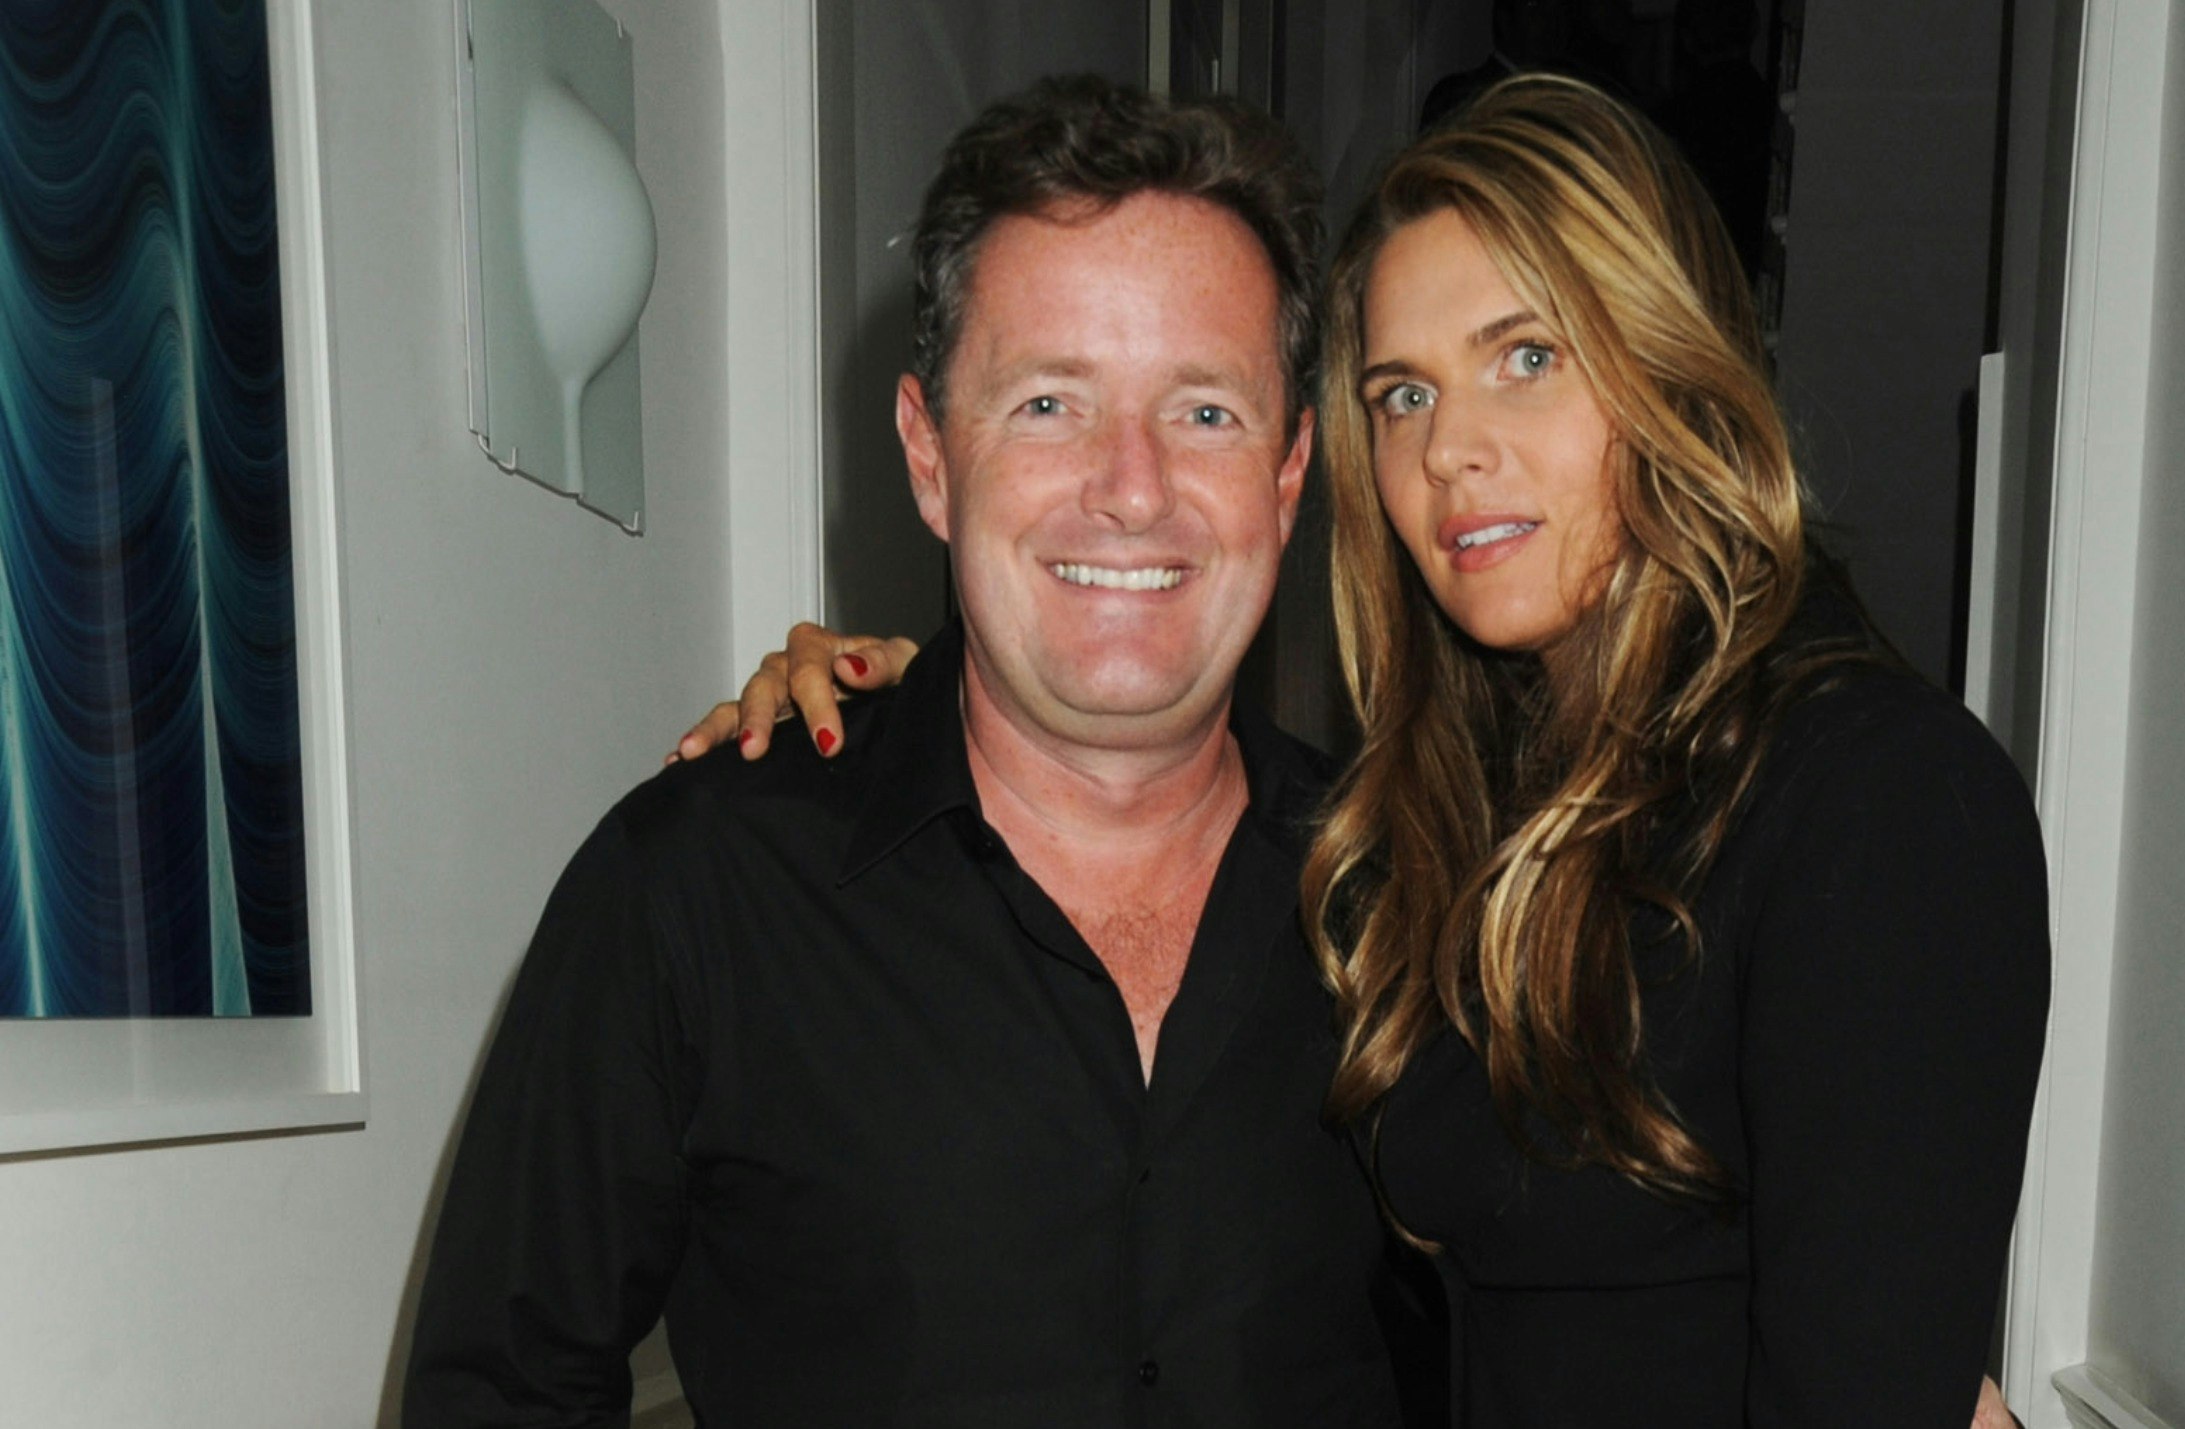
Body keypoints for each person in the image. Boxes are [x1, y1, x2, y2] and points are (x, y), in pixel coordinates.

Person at [689, 75, 2049, 1428]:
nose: (1452, 449)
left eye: (1527, 357)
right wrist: (942, 709)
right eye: (1403, 393)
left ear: (1670, 364)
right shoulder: (1450, 825)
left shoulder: (1876, 797)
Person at [404, 77, 1430, 1427]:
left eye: (1204, 412)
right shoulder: (699, 888)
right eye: (1050, 403)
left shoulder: (1420, 899)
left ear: (1289, 475)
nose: (1132, 488)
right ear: (929, 456)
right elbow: (501, 1391)